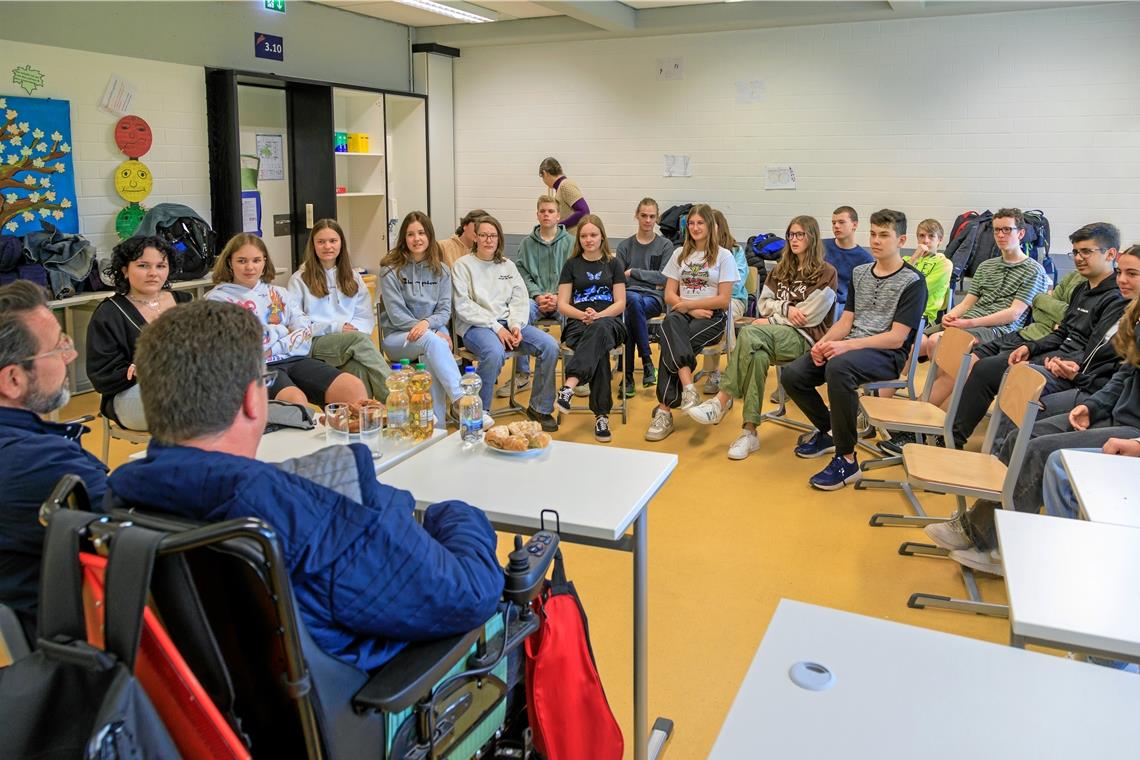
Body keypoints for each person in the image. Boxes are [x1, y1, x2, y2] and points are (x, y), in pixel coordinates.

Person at [106, 299, 503, 670]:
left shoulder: (116, 502)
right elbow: (469, 594)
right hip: (371, 707)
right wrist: (455, 515)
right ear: (253, 399)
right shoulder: (305, 514)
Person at [923, 246, 1140, 576]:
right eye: (1121, 272)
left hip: (1130, 429)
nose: (1122, 279)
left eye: (1132, 274)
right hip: (1112, 409)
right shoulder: (1134, 316)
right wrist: (1091, 406)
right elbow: (1124, 374)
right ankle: (981, 529)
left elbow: (1107, 369)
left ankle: (1001, 545)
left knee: (1037, 449)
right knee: (1023, 434)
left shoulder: (1122, 311)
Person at [780, 209, 927, 490]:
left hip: (887, 354)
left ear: (902, 239)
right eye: (873, 234)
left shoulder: (913, 282)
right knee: (793, 375)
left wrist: (845, 346)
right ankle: (829, 431)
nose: (876, 240)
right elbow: (846, 321)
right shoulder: (861, 273)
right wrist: (824, 343)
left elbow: (897, 338)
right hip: (852, 345)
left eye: (884, 235)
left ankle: (847, 461)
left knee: (839, 368)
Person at [947, 223, 1125, 449]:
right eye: (1076, 252)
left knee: (1003, 374)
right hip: (1057, 354)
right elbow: (1061, 333)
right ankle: (952, 436)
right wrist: (1030, 348)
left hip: (1069, 364)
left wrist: (1064, 363)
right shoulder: (1083, 288)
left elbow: (1095, 350)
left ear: (1110, 254)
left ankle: (980, 447)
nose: (1079, 258)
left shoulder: (1116, 298)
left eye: (1086, 252)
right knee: (988, 364)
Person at [0, 280, 107, 641]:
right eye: (59, 346)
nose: (71, 355)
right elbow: (135, 522)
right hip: (95, 645)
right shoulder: (38, 464)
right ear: (13, 379)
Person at [686, 216, 837, 460]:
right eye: (791, 235)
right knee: (757, 356)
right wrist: (786, 310)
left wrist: (774, 318)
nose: (794, 239)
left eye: (800, 235)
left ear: (812, 237)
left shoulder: (826, 272)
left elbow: (810, 316)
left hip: (805, 339)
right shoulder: (781, 269)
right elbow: (764, 305)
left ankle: (721, 400)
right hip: (773, 336)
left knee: (751, 332)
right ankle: (749, 432)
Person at [206, 233, 367, 407]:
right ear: (230, 262)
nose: (250, 267)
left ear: (264, 262)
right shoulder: (217, 300)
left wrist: (272, 345)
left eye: (256, 260)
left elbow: (305, 332)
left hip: (294, 359)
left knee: (353, 387)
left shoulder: (279, 293)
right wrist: (284, 330)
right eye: (242, 261)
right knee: (295, 401)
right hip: (253, 367)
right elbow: (247, 347)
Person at [923, 208, 1051, 406]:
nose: (1000, 235)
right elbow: (967, 303)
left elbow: (1013, 313)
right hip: (968, 321)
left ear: (1021, 233)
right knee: (918, 342)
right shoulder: (986, 266)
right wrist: (950, 317)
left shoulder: (1034, 270)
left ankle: (936, 409)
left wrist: (968, 323)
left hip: (998, 330)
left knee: (939, 344)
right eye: (997, 230)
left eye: (1007, 230)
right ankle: (923, 404)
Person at [452, 215, 561, 432]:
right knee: (493, 352)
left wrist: (516, 326)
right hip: (476, 326)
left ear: (499, 238)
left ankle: (539, 408)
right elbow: (463, 306)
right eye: (483, 235)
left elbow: (520, 299)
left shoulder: (507, 266)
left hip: (507, 324)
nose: (488, 240)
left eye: (493, 235)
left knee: (549, 346)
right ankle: (480, 413)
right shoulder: (463, 266)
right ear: (475, 237)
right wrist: (497, 327)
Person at [644, 203, 739, 442]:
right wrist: (687, 307)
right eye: (691, 224)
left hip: (711, 317)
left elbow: (724, 299)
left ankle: (664, 411)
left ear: (710, 225)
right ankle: (688, 389)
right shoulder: (679, 254)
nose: (695, 228)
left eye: (700, 223)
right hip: (681, 313)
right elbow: (669, 295)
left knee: (670, 344)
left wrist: (693, 306)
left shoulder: (724, 256)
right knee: (669, 326)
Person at [86, 235, 191, 430]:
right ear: (125, 270)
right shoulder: (109, 313)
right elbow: (102, 377)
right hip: (134, 395)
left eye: (161, 266)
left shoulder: (185, 301)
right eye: (143, 266)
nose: (153, 273)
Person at [379, 211, 468, 429]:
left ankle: (436, 427)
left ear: (429, 236)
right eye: (410, 234)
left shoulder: (442, 271)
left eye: (421, 233)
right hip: (398, 337)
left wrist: (429, 325)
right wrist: (429, 329)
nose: (416, 238)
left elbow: (444, 310)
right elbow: (397, 315)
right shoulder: (390, 269)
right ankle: (462, 400)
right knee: (432, 343)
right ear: (404, 238)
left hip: (433, 333)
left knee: (430, 354)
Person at [287, 219, 390, 401]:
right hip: (314, 341)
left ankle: (361, 422)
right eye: (321, 242)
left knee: (359, 370)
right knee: (357, 340)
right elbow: (295, 323)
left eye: (333, 241)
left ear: (341, 243)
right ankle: (396, 399)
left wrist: (351, 330)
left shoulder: (353, 277)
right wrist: (335, 327)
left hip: (349, 341)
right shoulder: (299, 279)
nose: (327, 246)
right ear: (313, 245)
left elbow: (364, 316)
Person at [553, 214, 627, 442]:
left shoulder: (613, 263)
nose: (588, 239)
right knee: (599, 350)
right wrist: (582, 315)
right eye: (583, 235)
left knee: (601, 328)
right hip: (578, 324)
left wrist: (599, 315)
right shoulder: (571, 264)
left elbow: (621, 303)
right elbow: (562, 304)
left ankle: (569, 386)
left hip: (610, 322)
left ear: (602, 236)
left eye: (593, 235)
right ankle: (601, 416)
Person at [508, 195, 573, 398]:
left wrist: (558, 296)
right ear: (537, 214)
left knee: (573, 315)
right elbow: (521, 274)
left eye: (551, 211)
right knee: (519, 313)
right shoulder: (526, 244)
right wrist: (536, 295)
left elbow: (574, 273)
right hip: (535, 299)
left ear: (558, 216)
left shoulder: (571, 243)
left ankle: (574, 375)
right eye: (543, 211)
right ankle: (523, 373)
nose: (546, 215)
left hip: (562, 298)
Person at [616, 198, 672, 395]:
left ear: (656, 218)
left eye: (652, 216)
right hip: (630, 298)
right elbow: (617, 280)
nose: (647, 220)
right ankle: (647, 362)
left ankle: (628, 377)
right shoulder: (624, 246)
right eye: (644, 216)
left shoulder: (665, 246)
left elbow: (664, 278)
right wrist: (651, 279)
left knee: (632, 306)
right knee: (632, 305)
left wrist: (633, 273)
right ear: (636, 216)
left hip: (654, 299)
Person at [699, 209, 750, 394]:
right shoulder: (699, 252)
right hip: (705, 302)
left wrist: (713, 291)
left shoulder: (735, 251)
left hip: (733, 301)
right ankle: (712, 372)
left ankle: (732, 372)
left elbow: (737, 284)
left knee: (723, 316)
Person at [824, 206, 873, 319]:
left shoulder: (865, 259)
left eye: (841, 222)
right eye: (834, 222)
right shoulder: (821, 247)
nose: (836, 226)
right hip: (818, 300)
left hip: (843, 307)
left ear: (854, 225)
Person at [903, 219, 952, 326]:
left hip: (923, 315)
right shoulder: (906, 260)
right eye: (922, 236)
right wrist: (914, 258)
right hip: (899, 310)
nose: (925, 241)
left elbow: (919, 291)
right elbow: (894, 286)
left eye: (931, 236)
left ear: (940, 240)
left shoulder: (944, 263)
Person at [538, 157, 589, 234]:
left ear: (545, 173)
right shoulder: (560, 188)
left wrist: (559, 226)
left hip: (573, 238)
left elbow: (584, 211)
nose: (544, 181)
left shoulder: (565, 185)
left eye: (542, 177)